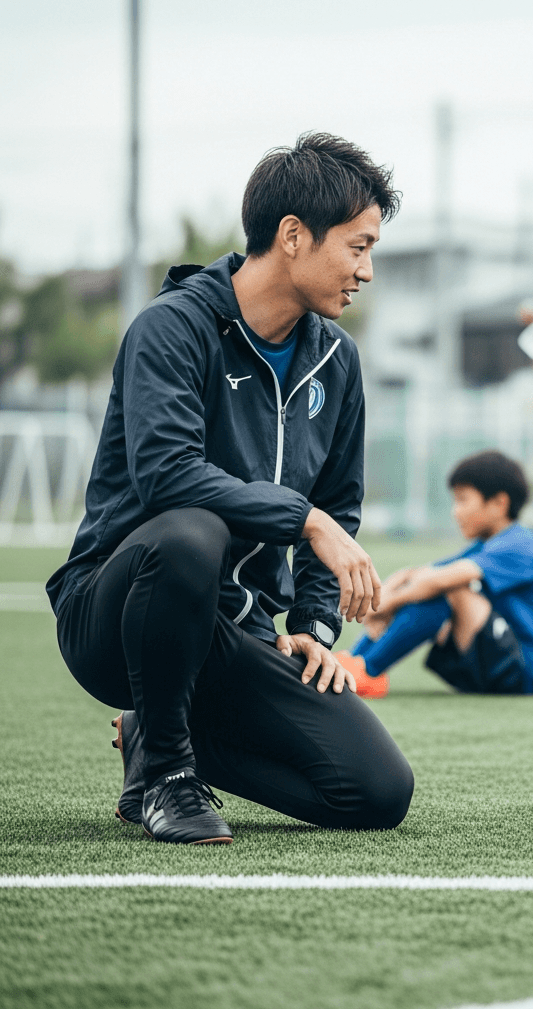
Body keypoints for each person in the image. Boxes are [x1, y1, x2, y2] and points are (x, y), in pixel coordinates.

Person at [46, 132, 414, 845]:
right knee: (192, 530)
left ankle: (153, 732)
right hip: (114, 614)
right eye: (359, 247)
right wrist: (304, 520)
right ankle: (169, 774)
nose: (367, 271)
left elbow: (339, 500)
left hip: (236, 632)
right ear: (293, 236)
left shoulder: (337, 359)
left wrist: (311, 623)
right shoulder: (171, 329)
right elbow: (167, 476)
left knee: (376, 790)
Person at [347, 451, 533, 697]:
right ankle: (354, 661)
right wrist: (385, 600)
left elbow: (438, 580)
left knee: (444, 588)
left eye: (462, 500)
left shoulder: (521, 544)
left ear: (499, 504)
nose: (455, 511)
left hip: (526, 671)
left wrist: (389, 603)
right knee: (429, 584)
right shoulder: (489, 543)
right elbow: (417, 573)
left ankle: (368, 670)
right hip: (494, 659)